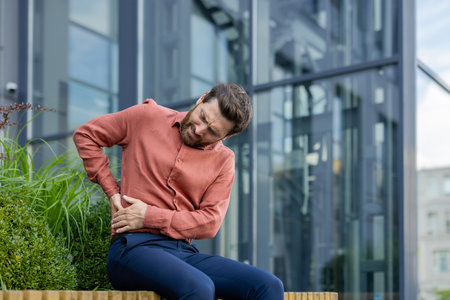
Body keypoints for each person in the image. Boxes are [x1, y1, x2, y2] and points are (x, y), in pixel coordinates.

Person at [73, 83, 284, 300]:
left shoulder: (224, 161)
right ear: (201, 99)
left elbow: (210, 222)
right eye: (202, 117)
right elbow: (86, 135)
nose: (199, 129)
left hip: (183, 254)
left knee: (269, 286)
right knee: (199, 288)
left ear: (226, 137)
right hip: (132, 248)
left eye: (212, 131)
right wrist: (112, 192)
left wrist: (148, 216)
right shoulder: (146, 117)